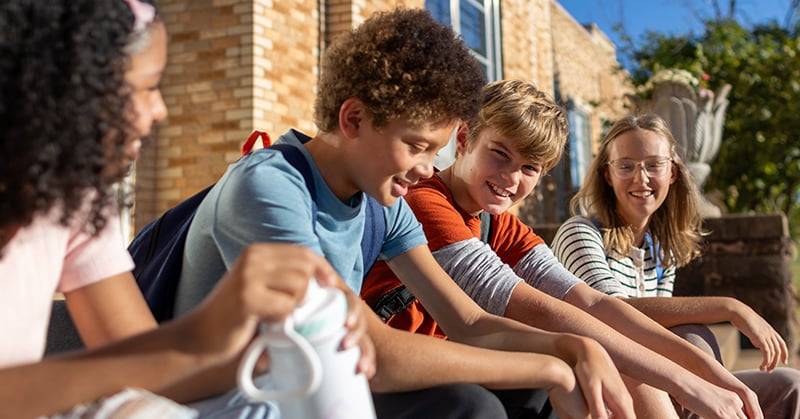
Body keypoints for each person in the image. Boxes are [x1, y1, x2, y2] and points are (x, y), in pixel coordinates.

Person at [175, 8, 636, 419]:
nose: (425, 168)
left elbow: (469, 322)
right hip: (248, 400)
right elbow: (368, 350)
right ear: (353, 120)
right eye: (416, 146)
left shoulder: (384, 205)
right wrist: (553, 364)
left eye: (433, 151)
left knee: (526, 387)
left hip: (319, 387)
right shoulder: (271, 188)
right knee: (469, 405)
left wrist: (573, 347)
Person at [0, 0, 375, 417]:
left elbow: (142, 370)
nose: (160, 110)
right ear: (70, 88)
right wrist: (195, 338)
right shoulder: (269, 179)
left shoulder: (74, 199)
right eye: (146, 87)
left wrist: (279, 349)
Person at [361, 79, 768, 419]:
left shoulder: (497, 221)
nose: (511, 177)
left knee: (575, 369)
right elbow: (531, 308)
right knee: (569, 367)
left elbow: (591, 302)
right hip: (389, 371)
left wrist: (709, 375)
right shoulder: (425, 202)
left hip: (441, 364)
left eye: (529, 168)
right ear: (465, 138)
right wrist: (685, 382)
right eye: (500, 153)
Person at [551, 113, 800, 418]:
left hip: (661, 378)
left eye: (654, 165)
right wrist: (731, 307)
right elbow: (613, 315)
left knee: (791, 385)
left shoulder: (661, 247)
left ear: (672, 173)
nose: (640, 178)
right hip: (604, 380)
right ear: (608, 175)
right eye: (626, 166)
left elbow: (659, 329)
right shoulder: (580, 233)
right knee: (678, 341)